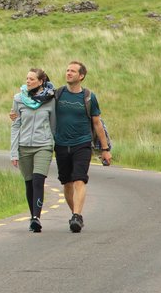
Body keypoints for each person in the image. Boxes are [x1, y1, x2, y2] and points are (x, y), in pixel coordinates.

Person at [53, 61, 112, 233]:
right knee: (67, 183)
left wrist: (105, 149)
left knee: (79, 179)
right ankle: (75, 215)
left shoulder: (88, 97)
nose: (68, 73)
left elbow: (97, 123)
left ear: (81, 76)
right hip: (61, 144)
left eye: (73, 71)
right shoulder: (58, 94)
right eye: (67, 70)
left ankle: (77, 216)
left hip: (82, 143)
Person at [10, 68, 56, 233]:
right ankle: (32, 216)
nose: (27, 81)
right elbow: (15, 126)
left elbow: (54, 125)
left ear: (41, 81)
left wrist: (56, 146)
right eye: (27, 78)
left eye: (31, 79)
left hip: (43, 145)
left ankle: (37, 218)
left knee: (38, 180)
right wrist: (13, 152)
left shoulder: (50, 100)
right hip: (24, 147)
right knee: (29, 182)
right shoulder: (18, 99)